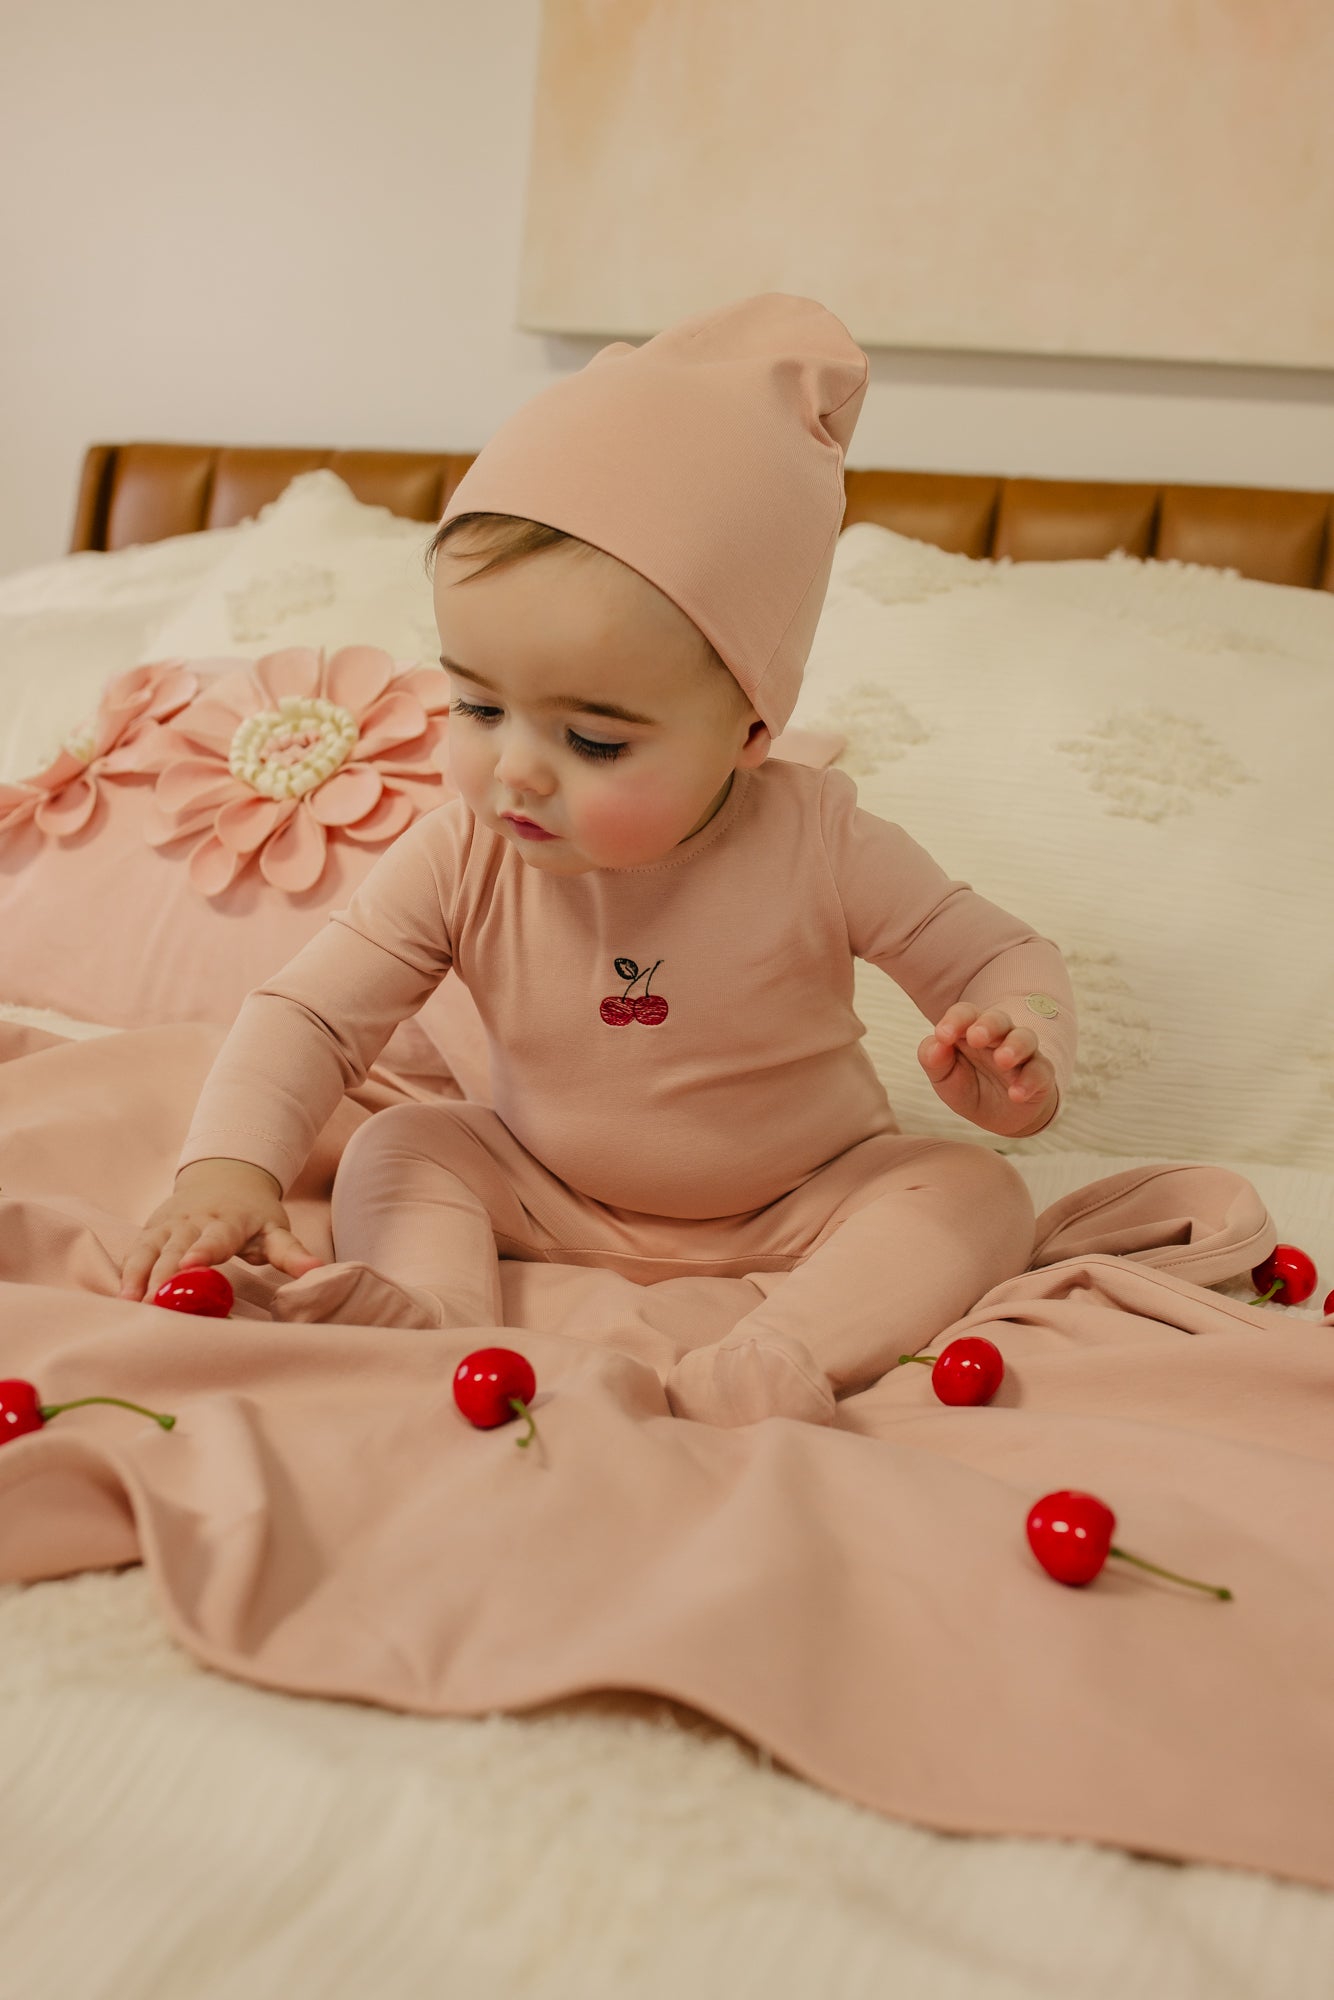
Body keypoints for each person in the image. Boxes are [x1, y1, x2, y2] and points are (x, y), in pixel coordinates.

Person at [117, 293, 1076, 1427]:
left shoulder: (819, 839)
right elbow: (313, 1016)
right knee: (406, 1140)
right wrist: (228, 1170)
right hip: (542, 1178)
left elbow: (1000, 953)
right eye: (475, 703)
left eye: (593, 738)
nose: (515, 771)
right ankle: (432, 1314)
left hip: (798, 1195)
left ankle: (780, 1348)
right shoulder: (460, 851)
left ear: (750, 730)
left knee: (968, 1190)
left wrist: (1016, 1046)